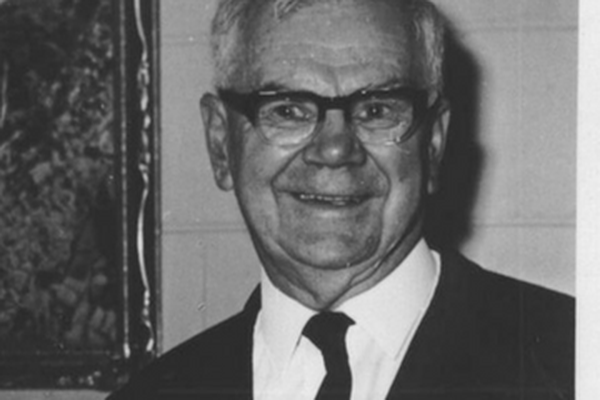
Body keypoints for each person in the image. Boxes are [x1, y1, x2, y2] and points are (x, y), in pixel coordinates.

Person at [108, 0, 574, 398]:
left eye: (377, 109)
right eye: (288, 110)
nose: (334, 149)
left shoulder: (573, 361)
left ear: (433, 143)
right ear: (219, 144)